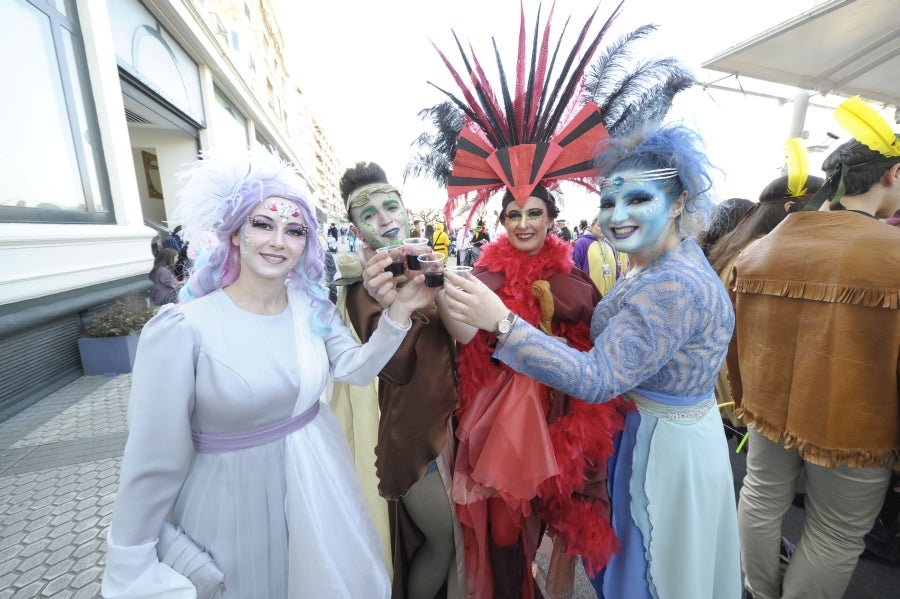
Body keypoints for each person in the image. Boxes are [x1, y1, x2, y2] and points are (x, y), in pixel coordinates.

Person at [407, 5, 700, 596]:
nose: (522, 223)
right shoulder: (482, 276)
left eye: (533, 213)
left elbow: (594, 349)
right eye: (512, 213)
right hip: (498, 425)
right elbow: (468, 347)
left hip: (560, 419)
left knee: (543, 525)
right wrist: (443, 298)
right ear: (502, 219)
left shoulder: (577, 280)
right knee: (502, 530)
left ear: (551, 217)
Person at [100, 149, 438, 599]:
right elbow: (152, 460)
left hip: (314, 492)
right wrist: (130, 560)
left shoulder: (310, 309)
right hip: (227, 507)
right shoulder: (184, 328)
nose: (278, 241)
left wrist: (400, 310)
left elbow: (357, 370)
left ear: (306, 243)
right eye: (263, 224)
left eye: (294, 230)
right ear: (236, 233)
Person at [443, 124, 742, 599]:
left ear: (680, 202)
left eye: (638, 200)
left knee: (655, 573)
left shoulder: (673, 284)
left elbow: (599, 376)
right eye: (609, 202)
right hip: (644, 433)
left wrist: (504, 323)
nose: (618, 216)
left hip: (662, 449)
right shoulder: (655, 263)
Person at [731, 96, 900, 599]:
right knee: (835, 531)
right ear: (890, 173)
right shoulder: (892, 255)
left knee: (760, 497)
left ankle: (760, 593)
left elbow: (736, 342)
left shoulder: (760, 249)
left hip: (766, 409)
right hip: (854, 423)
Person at [334, 161, 464, 598]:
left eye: (391, 207)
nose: (385, 219)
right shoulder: (360, 291)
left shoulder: (422, 268)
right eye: (369, 214)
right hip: (410, 441)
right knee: (441, 540)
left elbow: (461, 338)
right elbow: (394, 369)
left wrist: (440, 284)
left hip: (445, 425)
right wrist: (400, 307)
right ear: (355, 230)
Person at [572, 216, 627, 296]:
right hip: (591, 299)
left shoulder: (609, 245)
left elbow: (616, 272)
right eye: (599, 225)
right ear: (592, 226)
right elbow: (575, 271)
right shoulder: (581, 244)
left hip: (609, 298)